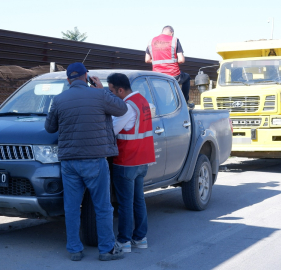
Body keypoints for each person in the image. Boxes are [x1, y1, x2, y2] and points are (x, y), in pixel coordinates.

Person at [45, 63, 127, 262]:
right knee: (102, 206)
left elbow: (49, 128)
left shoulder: (58, 99)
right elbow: (122, 109)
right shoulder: (99, 95)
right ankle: (107, 249)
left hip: (69, 163)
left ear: (68, 80)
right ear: (86, 77)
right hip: (95, 160)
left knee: (72, 207)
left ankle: (74, 249)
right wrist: (103, 90)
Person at [106, 73, 155, 253]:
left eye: (111, 91)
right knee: (138, 200)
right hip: (142, 160)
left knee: (125, 203)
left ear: (120, 89)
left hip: (126, 161)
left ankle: (124, 241)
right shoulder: (142, 101)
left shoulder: (126, 107)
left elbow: (111, 129)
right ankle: (140, 238)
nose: (110, 95)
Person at [145, 25, 191, 102]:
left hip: (157, 74)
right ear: (172, 33)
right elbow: (181, 60)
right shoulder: (174, 40)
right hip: (173, 74)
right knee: (187, 77)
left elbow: (147, 60)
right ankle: (184, 101)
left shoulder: (151, 41)